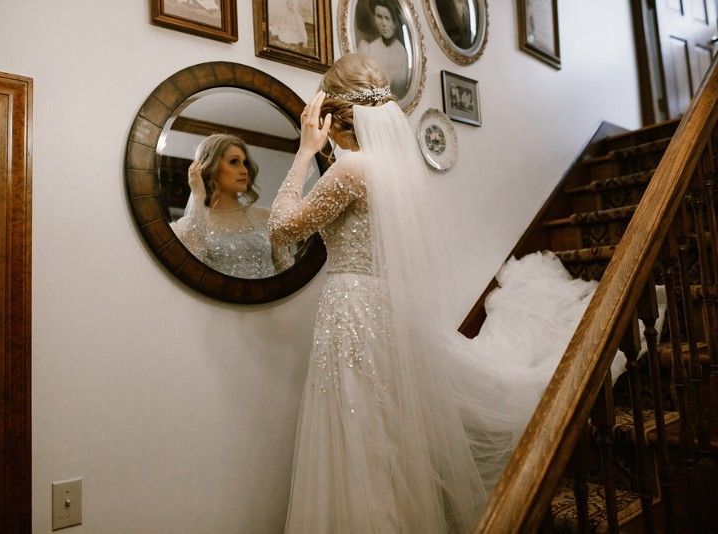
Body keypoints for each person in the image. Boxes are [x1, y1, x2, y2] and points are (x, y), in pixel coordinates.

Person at [269, 53, 608, 532]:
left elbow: (282, 228)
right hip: (389, 308)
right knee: (386, 432)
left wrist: (306, 151)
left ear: (332, 117)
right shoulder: (396, 170)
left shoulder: (349, 172)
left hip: (351, 307)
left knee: (358, 430)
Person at [171, 134, 293, 278]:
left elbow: (286, 269)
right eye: (234, 162)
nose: (244, 170)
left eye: (245, 163)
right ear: (210, 167)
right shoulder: (192, 224)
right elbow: (191, 268)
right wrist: (198, 196)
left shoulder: (266, 217)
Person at [357, 0, 409, 98]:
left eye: (387, 18)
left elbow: (400, 88)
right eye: (379, 17)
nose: (383, 23)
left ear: (394, 23)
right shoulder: (368, 48)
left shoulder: (402, 52)